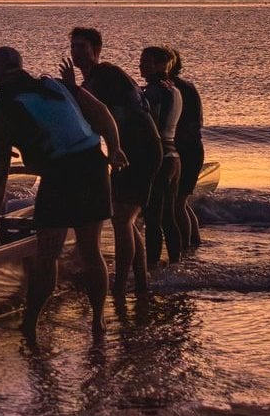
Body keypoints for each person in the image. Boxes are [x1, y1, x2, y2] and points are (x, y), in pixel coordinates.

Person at [0, 46, 127, 344]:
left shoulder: (5, 113)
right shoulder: (54, 86)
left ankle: (30, 324)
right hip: (93, 166)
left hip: (61, 175)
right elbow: (102, 113)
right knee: (90, 250)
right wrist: (114, 148)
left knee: (47, 255)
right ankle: (98, 321)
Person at [65, 27, 164, 308]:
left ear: (96, 50)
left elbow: (95, 108)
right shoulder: (92, 80)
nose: (76, 52)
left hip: (141, 151)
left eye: (82, 47)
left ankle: (119, 288)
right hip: (128, 151)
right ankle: (141, 284)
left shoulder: (106, 74)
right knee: (126, 219)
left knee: (122, 219)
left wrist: (72, 88)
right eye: (73, 47)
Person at [137, 44, 185, 267]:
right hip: (173, 157)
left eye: (146, 62)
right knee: (169, 217)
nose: (141, 66)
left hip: (159, 158)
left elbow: (151, 126)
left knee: (153, 218)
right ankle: (176, 263)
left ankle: (152, 266)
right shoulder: (174, 90)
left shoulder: (154, 92)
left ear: (160, 65)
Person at [171, 52, 205, 254]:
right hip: (193, 149)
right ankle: (194, 244)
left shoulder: (175, 89)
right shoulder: (187, 86)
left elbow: (182, 126)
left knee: (177, 203)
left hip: (186, 151)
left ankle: (185, 249)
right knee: (180, 202)